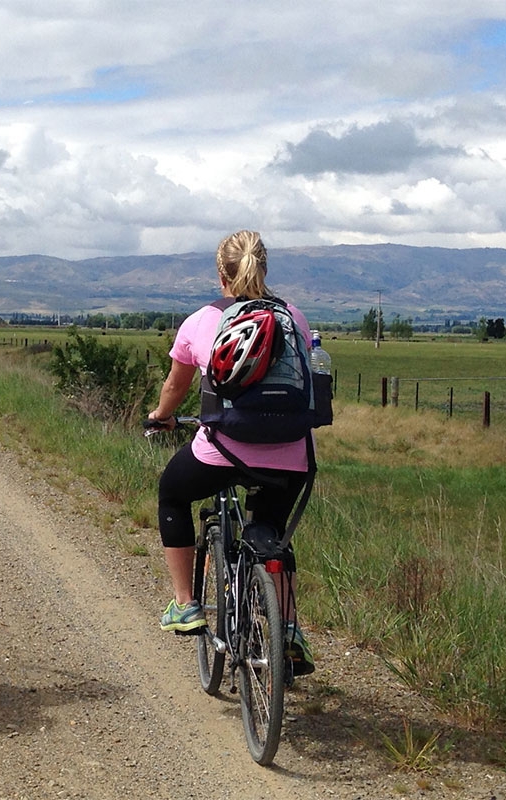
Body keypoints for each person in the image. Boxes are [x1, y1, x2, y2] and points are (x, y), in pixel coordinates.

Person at [145, 230, 316, 675]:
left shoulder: (201, 321)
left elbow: (175, 387)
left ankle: (185, 604)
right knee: (273, 531)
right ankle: (289, 629)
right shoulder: (294, 317)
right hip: (292, 454)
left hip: (224, 450)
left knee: (173, 493)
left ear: (220, 273)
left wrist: (161, 416)